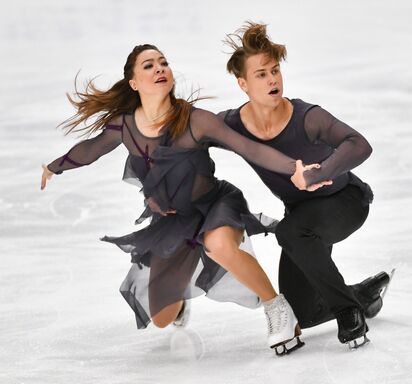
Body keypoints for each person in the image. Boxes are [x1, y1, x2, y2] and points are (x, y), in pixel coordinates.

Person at [40, 44, 328, 354]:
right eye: (149, 65)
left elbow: (249, 148)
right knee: (162, 318)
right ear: (134, 83)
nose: (160, 68)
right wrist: (54, 167)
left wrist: (292, 168)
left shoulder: (195, 120)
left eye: (163, 62)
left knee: (217, 245)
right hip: (174, 222)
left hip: (216, 206)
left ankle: (277, 308)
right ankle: (178, 306)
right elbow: (91, 149)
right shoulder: (126, 126)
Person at [219, 22, 391, 349]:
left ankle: (348, 312)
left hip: (346, 201)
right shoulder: (234, 126)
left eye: (275, 71)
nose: (272, 79)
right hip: (303, 217)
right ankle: (362, 294)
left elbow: (359, 144)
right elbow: (195, 135)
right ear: (243, 83)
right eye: (261, 74)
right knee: (305, 312)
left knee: (290, 232)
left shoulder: (306, 117)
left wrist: (320, 172)